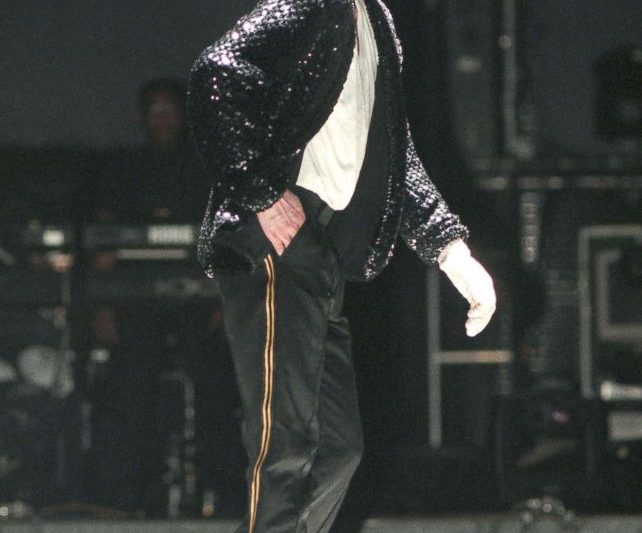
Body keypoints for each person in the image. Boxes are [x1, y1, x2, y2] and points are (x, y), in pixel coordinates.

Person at [187, 0, 496, 531]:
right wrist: (262, 192)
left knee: (338, 448)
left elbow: (393, 153)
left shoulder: (375, 20)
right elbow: (216, 72)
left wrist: (451, 250)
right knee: (286, 443)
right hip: (277, 243)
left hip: (323, 249)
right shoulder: (310, 4)